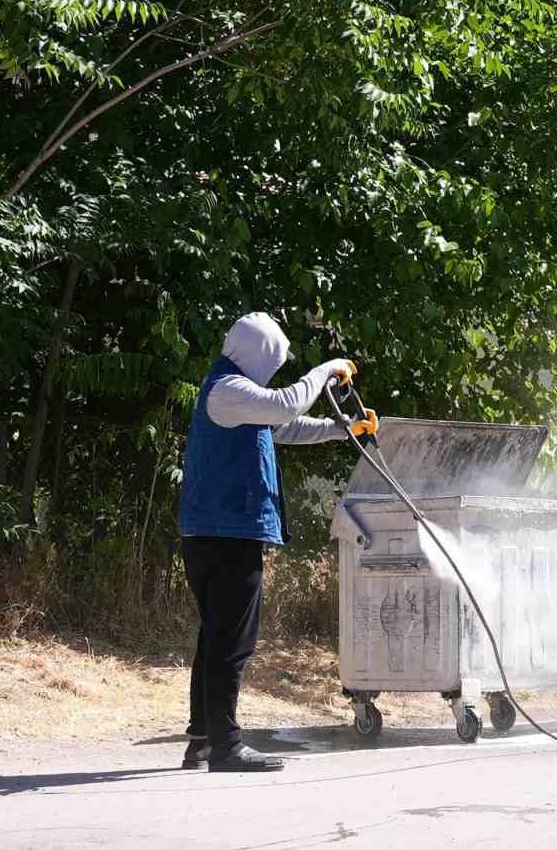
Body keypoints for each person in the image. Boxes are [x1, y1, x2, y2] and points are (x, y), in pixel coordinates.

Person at [177, 312, 378, 773]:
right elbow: (288, 405)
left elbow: (284, 426)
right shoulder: (229, 390)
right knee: (232, 639)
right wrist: (327, 368)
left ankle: (203, 739)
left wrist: (344, 427)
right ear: (259, 352)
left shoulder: (233, 395)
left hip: (214, 531)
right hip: (227, 533)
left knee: (216, 635)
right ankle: (227, 747)